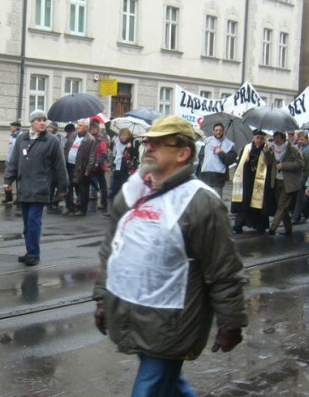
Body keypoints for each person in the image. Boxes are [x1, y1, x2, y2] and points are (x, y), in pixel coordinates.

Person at [92, 115, 247, 396]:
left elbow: (224, 270)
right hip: (131, 309)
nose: (148, 148)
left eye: (159, 143)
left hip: (172, 320)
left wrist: (231, 322)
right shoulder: (131, 192)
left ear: (183, 153)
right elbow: (111, 250)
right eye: (147, 142)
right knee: (170, 385)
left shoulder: (201, 202)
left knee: (150, 387)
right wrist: (103, 297)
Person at [3, 110, 68, 266]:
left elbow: (60, 165)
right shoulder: (22, 139)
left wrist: (63, 186)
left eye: (44, 120)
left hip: (41, 186)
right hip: (24, 186)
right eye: (38, 120)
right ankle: (29, 250)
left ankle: (34, 253)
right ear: (32, 122)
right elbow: (14, 162)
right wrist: (8, 180)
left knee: (33, 221)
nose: (42, 123)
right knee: (27, 223)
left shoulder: (52, 141)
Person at [231, 129, 275, 234]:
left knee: (259, 204)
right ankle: (238, 225)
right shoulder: (247, 148)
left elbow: (270, 163)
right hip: (247, 179)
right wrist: (246, 160)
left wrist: (266, 153)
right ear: (253, 138)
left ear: (264, 139)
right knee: (244, 203)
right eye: (257, 138)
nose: (259, 140)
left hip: (260, 181)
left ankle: (260, 226)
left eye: (261, 138)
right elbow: (240, 163)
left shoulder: (267, 149)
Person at [266, 130, 303, 237]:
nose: (276, 140)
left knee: (282, 206)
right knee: (282, 206)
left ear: (283, 139)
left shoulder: (292, 149)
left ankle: (273, 228)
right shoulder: (272, 148)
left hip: (289, 183)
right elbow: (269, 162)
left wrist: (284, 166)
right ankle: (288, 228)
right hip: (276, 181)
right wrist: (266, 152)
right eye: (275, 138)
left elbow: (300, 164)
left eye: (278, 138)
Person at [63, 119, 96, 216]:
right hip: (69, 165)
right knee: (68, 187)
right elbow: (66, 147)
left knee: (82, 189)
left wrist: (88, 169)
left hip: (81, 167)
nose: (78, 127)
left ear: (86, 127)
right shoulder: (73, 135)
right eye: (78, 125)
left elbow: (92, 156)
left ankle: (82, 208)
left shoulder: (90, 139)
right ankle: (70, 207)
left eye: (81, 125)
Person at [197, 122, 236, 197]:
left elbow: (230, 161)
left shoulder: (229, 144)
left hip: (218, 177)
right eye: (216, 130)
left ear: (223, 131)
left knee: (216, 199)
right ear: (213, 131)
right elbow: (201, 155)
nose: (218, 132)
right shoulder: (207, 141)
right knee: (205, 199)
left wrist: (221, 153)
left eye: (220, 130)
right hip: (206, 174)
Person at [109, 128, 139, 201]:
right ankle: (113, 203)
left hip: (126, 169)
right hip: (117, 166)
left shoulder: (132, 143)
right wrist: (111, 143)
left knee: (123, 186)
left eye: (125, 135)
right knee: (114, 186)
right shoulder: (117, 142)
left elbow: (135, 155)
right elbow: (113, 152)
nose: (122, 137)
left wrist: (130, 149)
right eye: (121, 135)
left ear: (129, 135)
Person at [89, 120, 108, 211]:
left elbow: (104, 153)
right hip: (93, 165)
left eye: (93, 129)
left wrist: (97, 163)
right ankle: (95, 194)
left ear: (97, 129)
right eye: (91, 129)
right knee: (93, 182)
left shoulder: (101, 138)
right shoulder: (92, 137)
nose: (92, 130)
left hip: (99, 166)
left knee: (102, 185)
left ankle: (104, 203)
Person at [46, 121, 65, 212]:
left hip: (57, 165)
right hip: (49, 166)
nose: (48, 129)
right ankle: (50, 202)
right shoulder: (47, 137)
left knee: (60, 184)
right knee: (51, 185)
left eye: (50, 127)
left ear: (55, 129)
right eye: (48, 127)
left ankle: (56, 200)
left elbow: (62, 152)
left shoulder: (59, 138)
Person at [2, 121, 22, 204]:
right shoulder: (11, 136)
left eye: (12, 126)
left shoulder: (20, 136)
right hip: (10, 161)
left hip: (18, 161)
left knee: (19, 181)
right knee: (7, 180)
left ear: (17, 127)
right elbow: (10, 149)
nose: (11, 128)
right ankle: (8, 197)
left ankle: (19, 198)